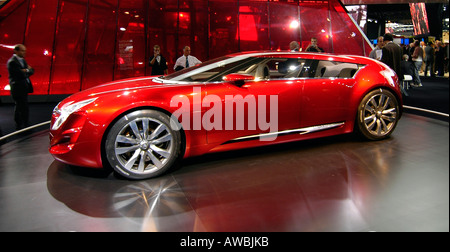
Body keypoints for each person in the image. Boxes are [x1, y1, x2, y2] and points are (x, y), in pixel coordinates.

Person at [7, 44, 34, 130]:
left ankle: (24, 123)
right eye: (22, 51)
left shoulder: (22, 60)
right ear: (16, 51)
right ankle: (21, 124)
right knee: (20, 105)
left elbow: (32, 71)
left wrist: (26, 70)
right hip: (17, 87)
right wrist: (27, 70)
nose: (24, 53)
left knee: (23, 105)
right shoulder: (12, 62)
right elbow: (20, 74)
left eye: (25, 51)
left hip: (24, 86)